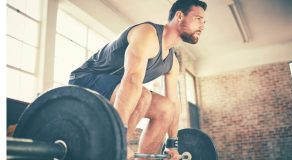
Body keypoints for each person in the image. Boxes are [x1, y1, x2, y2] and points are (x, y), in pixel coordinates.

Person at [68, 0, 207, 159]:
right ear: (180, 16)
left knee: (166, 107)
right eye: (198, 19)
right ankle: (116, 144)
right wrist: (120, 140)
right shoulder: (147, 34)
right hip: (85, 80)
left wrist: (172, 145)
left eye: (204, 21)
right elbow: (132, 80)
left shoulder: (172, 62)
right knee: (142, 95)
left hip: (117, 88)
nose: (202, 26)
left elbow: (174, 102)